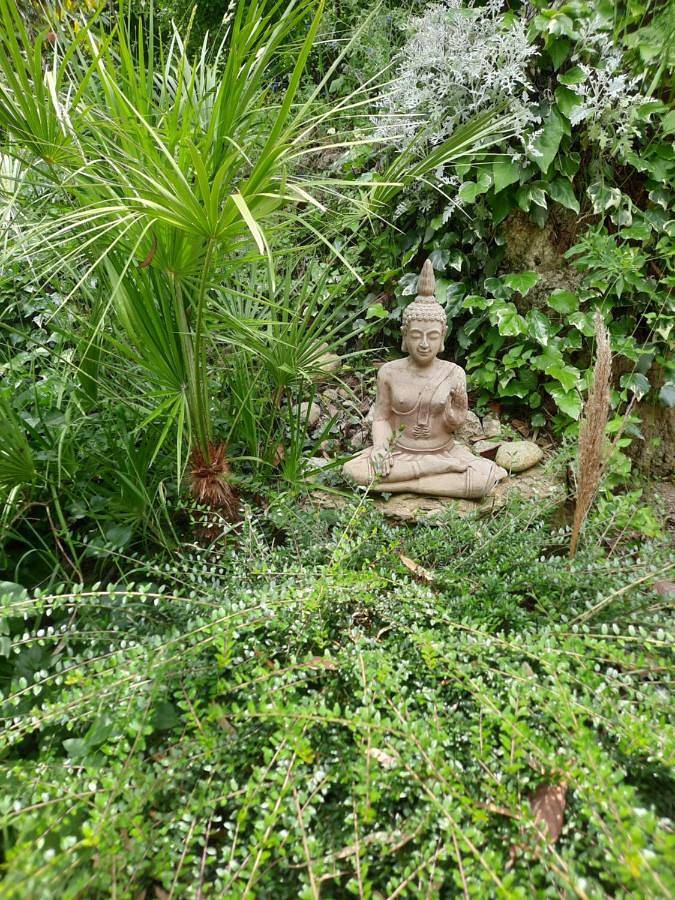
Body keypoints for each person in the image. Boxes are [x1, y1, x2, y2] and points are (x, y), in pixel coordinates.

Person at [343, 260, 506, 498]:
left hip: (443, 452)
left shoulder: (453, 373)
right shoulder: (389, 372)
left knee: (484, 480)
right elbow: (382, 418)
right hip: (399, 453)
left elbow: (452, 425)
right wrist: (379, 447)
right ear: (404, 335)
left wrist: (456, 415)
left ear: (443, 337)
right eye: (416, 335)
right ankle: (429, 477)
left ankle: (403, 483)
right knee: (351, 471)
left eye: (432, 336)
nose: (423, 344)